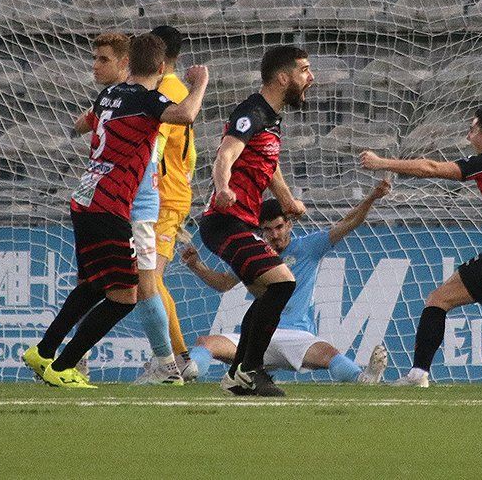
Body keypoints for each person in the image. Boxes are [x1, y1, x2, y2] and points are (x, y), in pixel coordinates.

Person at [23, 34, 208, 389]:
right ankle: (63, 366)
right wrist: (200, 84)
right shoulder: (149, 100)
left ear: (127, 64)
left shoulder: (108, 95)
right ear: (160, 67)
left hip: (85, 198)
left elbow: (85, 123)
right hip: (112, 205)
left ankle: (44, 351)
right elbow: (185, 114)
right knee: (127, 295)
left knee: (93, 285)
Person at [360, 108, 482, 388]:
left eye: (473, 129)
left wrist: (381, 162)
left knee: (438, 300)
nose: (467, 134)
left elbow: (431, 168)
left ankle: (418, 375)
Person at [185, 183, 391, 382]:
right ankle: (190, 371)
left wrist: (371, 197)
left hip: (296, 335)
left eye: (279, 227)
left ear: (289, 224)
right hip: (257, 336)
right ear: (260, 232)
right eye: (268, 230)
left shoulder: (309, 247)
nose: (275, 235)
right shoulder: (253, 253)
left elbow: (349, 222)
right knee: (206, 342)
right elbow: (224, 283)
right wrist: (196, 266)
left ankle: (362, 378)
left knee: (329, 353)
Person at [198, 46, 311, 397]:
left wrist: (288, 199)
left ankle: (239, 372)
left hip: (239, 222)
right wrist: (222, 188)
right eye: (305, 70)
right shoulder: (251, 112)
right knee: (281, 283)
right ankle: (247, 369)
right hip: (223, 219)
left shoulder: (271, 118)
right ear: (283, 77)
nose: (311, 77)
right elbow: (226, 154)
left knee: (268, 291)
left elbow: (268, 164)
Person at [72, 32, 183, 385]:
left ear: (125, 64)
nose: (95, 66)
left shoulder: (147, 99)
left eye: (103, 60)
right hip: (109, 199)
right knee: (90, 282)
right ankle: (80, 361)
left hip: (136, 203)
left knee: (144, 284)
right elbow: (81, 125)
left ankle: (166, 364)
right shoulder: (112, 97)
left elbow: (177, 121)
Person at [150, 25, 200, 380]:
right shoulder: (172, 88)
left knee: (150, 279)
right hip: (166, 194)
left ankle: (177, 360)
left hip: (162, 198)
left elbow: (158, 138)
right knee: (144, 281)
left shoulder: (168, 89)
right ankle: (178, 359)